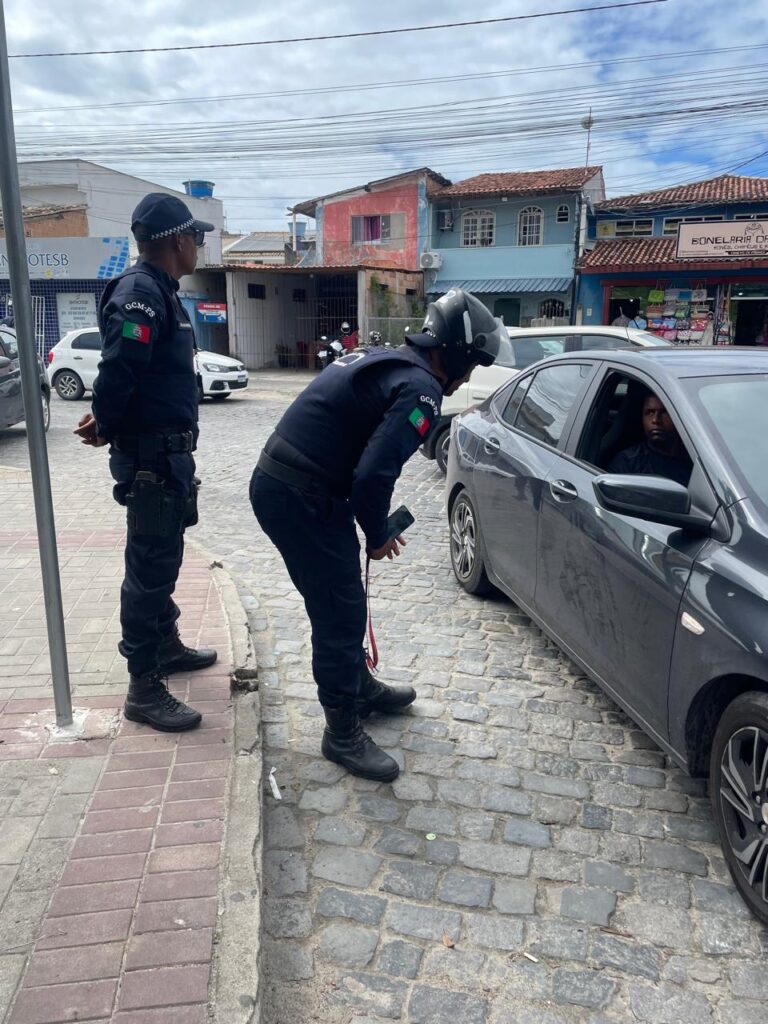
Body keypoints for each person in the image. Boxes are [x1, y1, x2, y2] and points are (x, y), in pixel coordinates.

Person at [250, 289, 504, 781]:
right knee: (339, 612)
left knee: (342, 599)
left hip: (293, 487)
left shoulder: (386, 358)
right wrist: (377, 533)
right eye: (472, 364)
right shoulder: (421, 390)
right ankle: (341, 732)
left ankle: (358, 687)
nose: (470, 376)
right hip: (301, 497)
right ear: (454, 353)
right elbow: (372, 475)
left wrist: (369, 525)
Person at [74, 193, 218, 732]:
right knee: (149, 568)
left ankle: (165, 644)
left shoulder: (161, 292)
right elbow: (119, 370)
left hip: (168, 455)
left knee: (165, 558)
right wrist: (106, 423)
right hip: (151, 459)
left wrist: (108, 421)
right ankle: (143, 685)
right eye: (196, 236)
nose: (199, 245)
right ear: (178, 239)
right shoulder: (140, 295)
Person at [608, 392, 693, 487]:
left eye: (664, 412)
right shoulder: (627, 463)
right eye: (650, 413)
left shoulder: (696, 460)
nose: (655, 420)